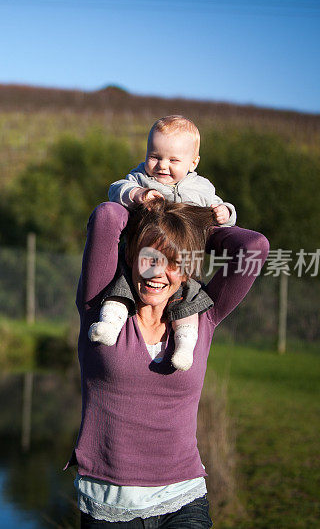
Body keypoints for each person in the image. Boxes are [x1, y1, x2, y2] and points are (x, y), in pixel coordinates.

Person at [67, 198, 268, 527]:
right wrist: (146, 207)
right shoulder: (99, 306)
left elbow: (255, 247)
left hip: (183, 499)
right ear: (132, 256)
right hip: (109, 504)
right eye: (150, 257)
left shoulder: (204, 315)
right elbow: (107, 217)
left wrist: (194, 228)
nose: (158, 273)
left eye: (175, 261)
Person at [90, 115, 236, 372]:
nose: (162, 166)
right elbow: (116, 190)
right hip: (139, 257)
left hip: (180, 263)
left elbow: (221, 208)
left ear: (193, 162)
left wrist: (225, 212)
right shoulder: (141, 179)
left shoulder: (200, 188)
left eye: (173, 160)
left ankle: (184, 346)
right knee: (121, 289)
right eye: (155, 156)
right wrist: (138, 195)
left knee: (189, 298)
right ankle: (109, 325)